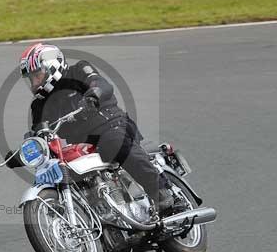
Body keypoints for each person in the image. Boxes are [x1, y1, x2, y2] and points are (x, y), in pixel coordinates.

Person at [11, 42, 185, 217]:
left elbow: (101, 83)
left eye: (36, 75)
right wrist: (24, 152)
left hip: (112, 125)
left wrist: (94, 94)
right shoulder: (39, 105)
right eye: (30, 79)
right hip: (83, 145)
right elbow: (38, 134)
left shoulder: (79, 70)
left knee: (113, 143)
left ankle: (163, 193)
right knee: (58, 170)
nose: (34, 82)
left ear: (51, 66)